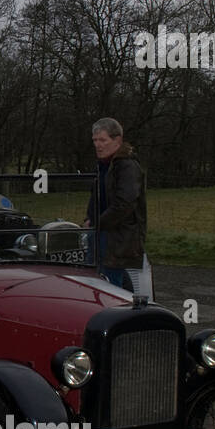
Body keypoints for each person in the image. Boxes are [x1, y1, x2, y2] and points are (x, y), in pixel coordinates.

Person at [84, 117, 151, 298]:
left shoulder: (127, 166)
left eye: (103, 140)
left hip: (117, 236)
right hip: (100, 233)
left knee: (109, 287)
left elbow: (124, 204)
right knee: (94, 280)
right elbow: (96, 198)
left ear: (117, 140)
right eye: (95, 140)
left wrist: (99, 223)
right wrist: (89, 218)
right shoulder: (103, 166)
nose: (98, 145)